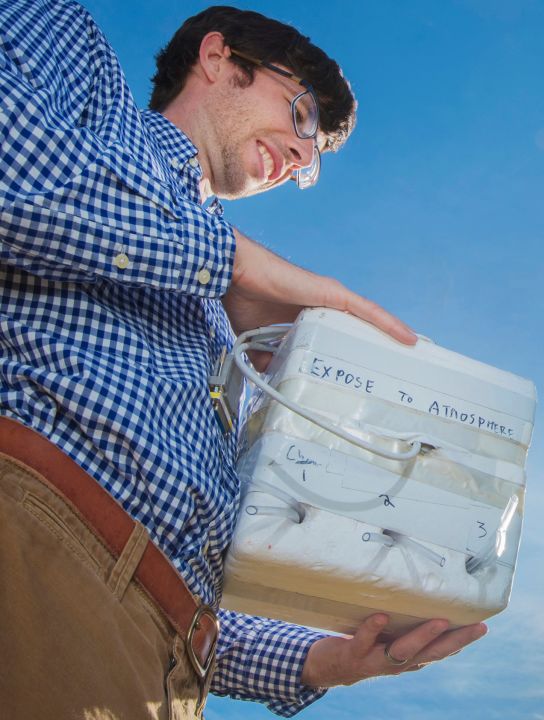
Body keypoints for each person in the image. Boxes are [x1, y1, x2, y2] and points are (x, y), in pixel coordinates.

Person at [0, 2, 485, 717]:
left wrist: (323, 659)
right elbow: (16, 178)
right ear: (219, 57)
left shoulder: (217, 321)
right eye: (299, 117)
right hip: (34, 549)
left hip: (158, 670)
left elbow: (173, 559)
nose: (299, 161)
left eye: (311, 162)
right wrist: (240, 266)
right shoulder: (74, 52)